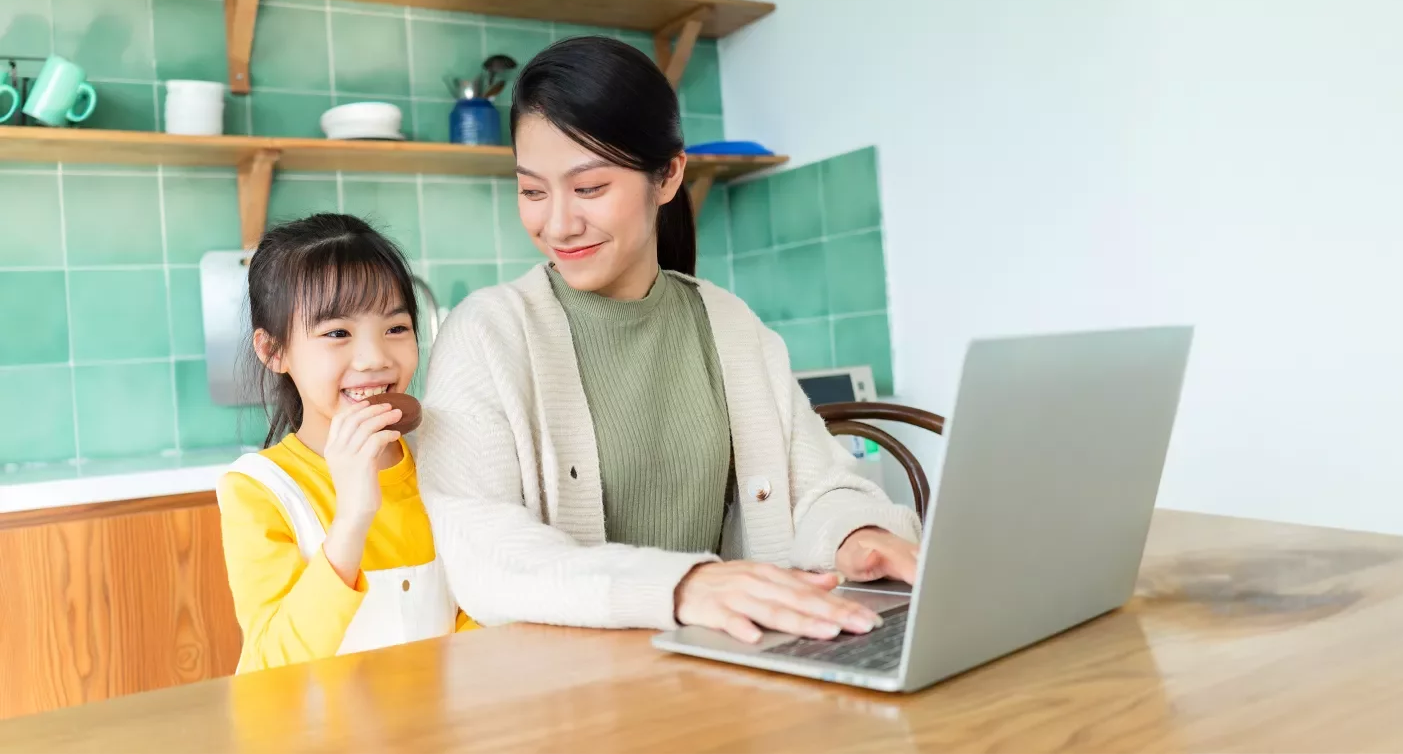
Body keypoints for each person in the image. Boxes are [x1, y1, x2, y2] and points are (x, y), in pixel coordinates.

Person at [416, 36, 921, 644]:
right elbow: (482, 551)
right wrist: (684, 587)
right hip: (563, 701)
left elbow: (819, 487)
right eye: (532, 190)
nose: (556, 223)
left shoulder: (731, 326)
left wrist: (856, 536)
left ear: (669, 176)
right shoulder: (487, 335)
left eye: (590, 187)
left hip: (724, 670)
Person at [217, 213, 476, 673]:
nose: (376, 357)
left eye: (396, 328)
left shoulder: (441, 461)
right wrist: (353, 515)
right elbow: (271, 665)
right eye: (338, 333)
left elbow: (475, 616)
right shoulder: (259, 490)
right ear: (273, 350)